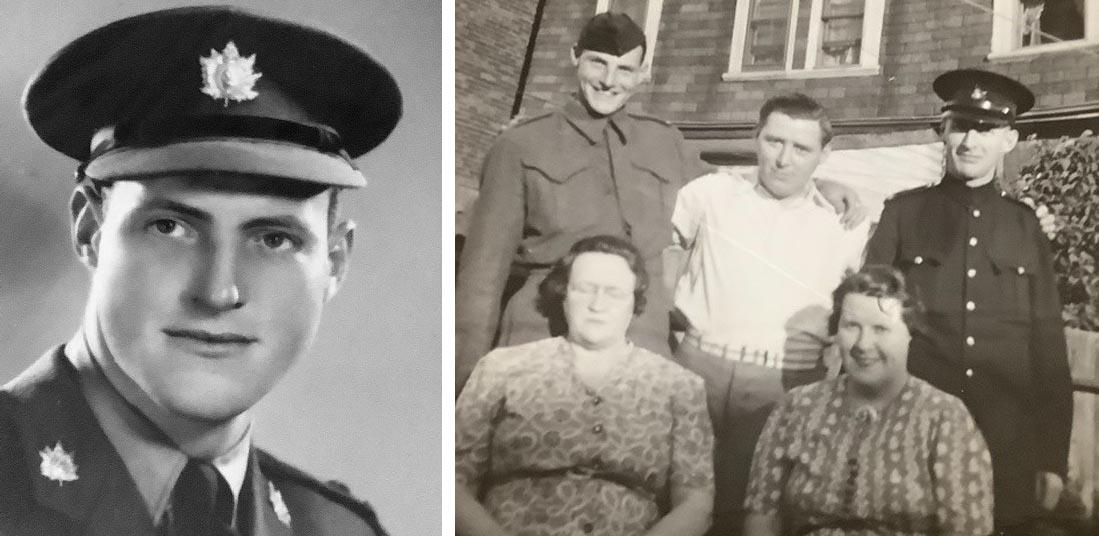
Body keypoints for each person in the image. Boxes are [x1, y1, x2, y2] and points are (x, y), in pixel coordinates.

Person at [0, 6, 401, 535]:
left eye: (274, 239)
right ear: (89, 229)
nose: (219, 291)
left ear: (334, 262)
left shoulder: (336, 529)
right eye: (170, 227)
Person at [455, 13, 864, 393]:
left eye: (625, 69)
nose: (609, 81)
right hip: (544, 337)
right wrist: (465, 386)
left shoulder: (664, 143)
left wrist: (818, 183)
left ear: (642, 73)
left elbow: (740, 188)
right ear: (575, 57)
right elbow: (480, 284)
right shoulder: (521, 145)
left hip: (642, 347)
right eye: (598, 63)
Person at [864, 68, 1073, 535]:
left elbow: (1048, 346)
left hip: (1005, 440)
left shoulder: (1025, 226)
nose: (970, 141)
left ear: (1009, 140)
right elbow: (867, 322)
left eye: (986, 129)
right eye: (960, 126)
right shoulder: (903, 213)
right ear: (944, 131)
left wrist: (1051, 457)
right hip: (911, 430)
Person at [670, 93, 869, 536]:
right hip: (696, 371)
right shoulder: (711, 193)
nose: (783, 159)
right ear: (755, 137)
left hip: (783, 382)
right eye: (774, 141)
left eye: (801, 148)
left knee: (755, 513)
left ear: (825, 154)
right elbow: (658, 247)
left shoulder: (845, 222)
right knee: (674, 502)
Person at [455, 235, 715, 536]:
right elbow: (452, 481)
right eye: (584, 289)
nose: (597, 305)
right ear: (564, 295)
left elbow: (696, 504)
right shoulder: (501, 368)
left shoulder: (679, 387)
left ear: (635, 302)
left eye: (614, 293)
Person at [742, 265, 994, 536]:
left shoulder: (944, 418)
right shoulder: (797, 407)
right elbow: (762, 514)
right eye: (851, 326)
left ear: (909, 334)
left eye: (881, 329)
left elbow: (968, 530)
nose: (863, 344)